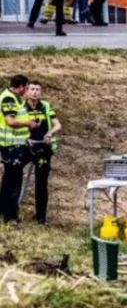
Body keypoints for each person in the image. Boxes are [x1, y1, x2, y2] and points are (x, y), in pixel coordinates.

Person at [0, 76, 38, 223]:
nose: (27, 90)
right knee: (14, 180)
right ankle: (10, 215)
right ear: (20, 86)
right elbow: (10, 121)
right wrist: (28, 124)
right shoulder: (9, 99)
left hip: (15, 145)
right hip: (11, 146)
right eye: (26, 87)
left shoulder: (14, 98)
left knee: (9, 179)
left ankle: (4, 210)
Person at [23, 81, 61, 225]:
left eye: (37, 89)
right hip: (25, 147)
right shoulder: (21, 107)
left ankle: (41, 217)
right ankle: (9, 212)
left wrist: (50, 133)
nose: (35, 92)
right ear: (27, 91)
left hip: (43, 148)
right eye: (32, 89)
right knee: (14, 177)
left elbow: (57, 124)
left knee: (41, 183)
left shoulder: (45, 106)